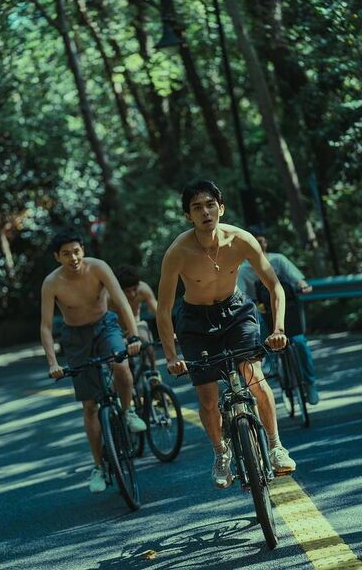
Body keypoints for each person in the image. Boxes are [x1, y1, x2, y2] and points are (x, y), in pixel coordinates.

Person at [156, 179, 296, 489]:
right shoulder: (178, 252)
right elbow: (163, 309)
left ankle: (275, 446)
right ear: (188, 215)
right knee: (208, 399)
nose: (205, 212)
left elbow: (274, 286)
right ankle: (221, 453)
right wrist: (171, 356)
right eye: (197, 208)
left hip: (236, 312)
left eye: (210, 205)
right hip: (195, 321)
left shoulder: (241, 240)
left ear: (221, 208)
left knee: (253, 376)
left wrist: (278, 329)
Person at [40, 229, 146, 494]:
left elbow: (121, 302)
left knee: (120, 364)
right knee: (89, 405)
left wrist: (133, 336)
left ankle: (128, 411)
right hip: (75, 338)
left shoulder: (98, 267)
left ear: (83, 250)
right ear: (57, 257)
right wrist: (52, 362)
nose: (73, 258)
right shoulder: (52, 283)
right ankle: (98, 466)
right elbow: (45, 327)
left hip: (105, 326)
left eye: (76, 251)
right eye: (66, 254)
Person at [237, 233, 319, 405]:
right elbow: (240, 294)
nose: (257, 244)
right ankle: (268, 357)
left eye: (260, 241)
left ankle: (310, 383)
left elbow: (297, 279)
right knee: (257, 323)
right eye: (253, 242)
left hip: (286, 309)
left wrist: (303, 285)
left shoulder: (278, 260)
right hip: (262, 312)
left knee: (300, 342)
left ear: (265, 242)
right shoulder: (243, 270)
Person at [109, 265, 158, 369]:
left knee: (146, 339)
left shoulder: (143, 289)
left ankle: (153, 372)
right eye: (127, 291)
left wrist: (170, 332)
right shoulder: (110, 297)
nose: (132, 294)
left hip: (137, 324)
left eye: (135, 289)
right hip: (118, 330)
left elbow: (158, 312)